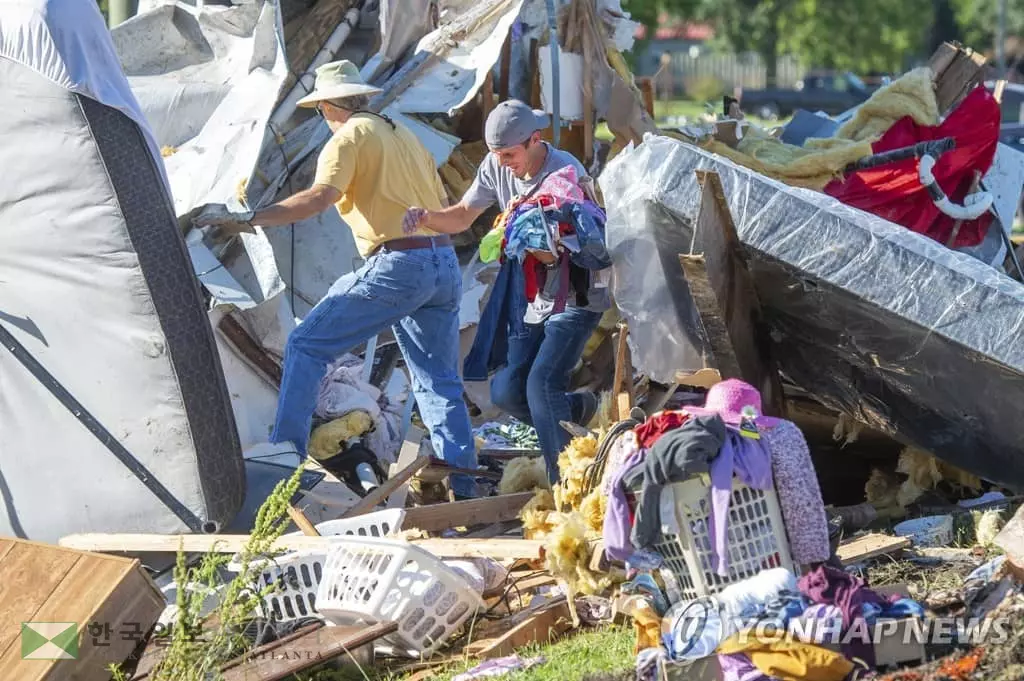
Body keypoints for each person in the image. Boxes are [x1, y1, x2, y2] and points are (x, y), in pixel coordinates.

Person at [193, 60, 478, 498]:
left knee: (307, 343)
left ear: (327, 106)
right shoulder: (407, 137)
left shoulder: (349, 137)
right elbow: (441, 205)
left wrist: (250, 219)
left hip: (400, 263)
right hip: (441, 264)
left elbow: (319, 198)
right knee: (437, 382)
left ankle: (283, 466)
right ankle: (468, 489)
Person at [403, 99, 606, 483]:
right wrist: (427, 218)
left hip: (575, 291)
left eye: (510, 154)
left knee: (541, 382)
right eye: (497, 155)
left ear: (535, 140)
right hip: (529, 294)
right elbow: (463, 214)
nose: (503, 163)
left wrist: (534, 228)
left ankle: (567, 482)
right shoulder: (495, 164)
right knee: (507, 392)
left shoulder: (566, 172)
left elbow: (589, 248)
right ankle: (578, 409)